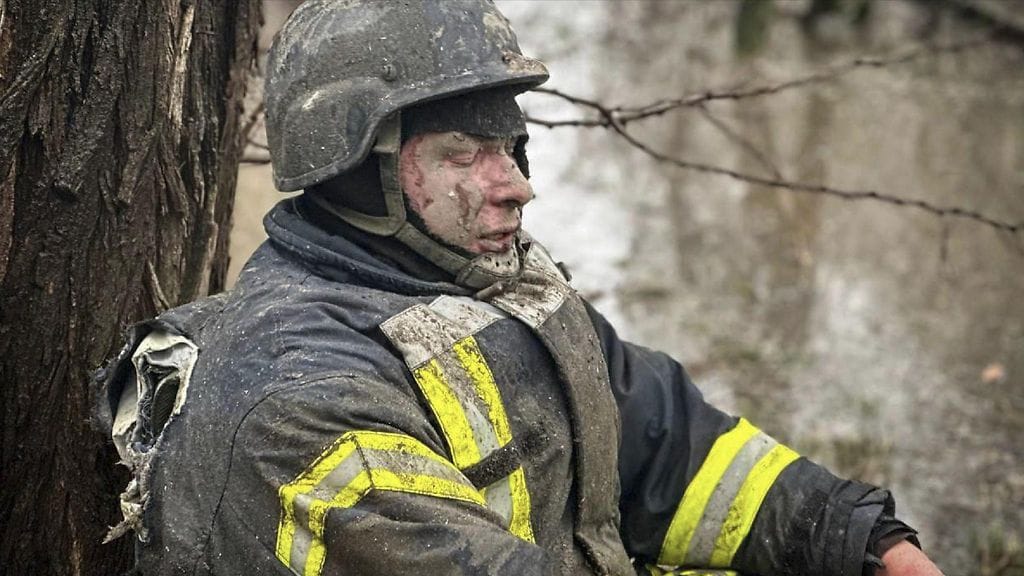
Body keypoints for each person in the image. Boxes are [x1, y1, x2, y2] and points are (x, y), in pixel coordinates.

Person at [97, 1, 945, 575]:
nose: (516, 187)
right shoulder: (298, 394)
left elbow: (672, 452)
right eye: (464, 155)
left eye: (511, 146)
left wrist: (865, 540)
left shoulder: (495, 286)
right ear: (360, 175)